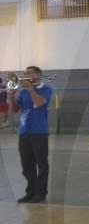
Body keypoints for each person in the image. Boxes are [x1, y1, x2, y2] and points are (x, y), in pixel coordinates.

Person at [8, 66, 53, 203]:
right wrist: (11, 96)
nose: (26, 74)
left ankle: (41, 193)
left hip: (39, 132)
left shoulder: (46, 89)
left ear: (38, 74)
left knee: (42, 164)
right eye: (25, 73)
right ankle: (31, 191)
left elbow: (39, 103)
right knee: (26, 164)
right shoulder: (22, 92)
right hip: (24, 132)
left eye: (29, 72)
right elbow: (14, 110)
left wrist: (30, 88)